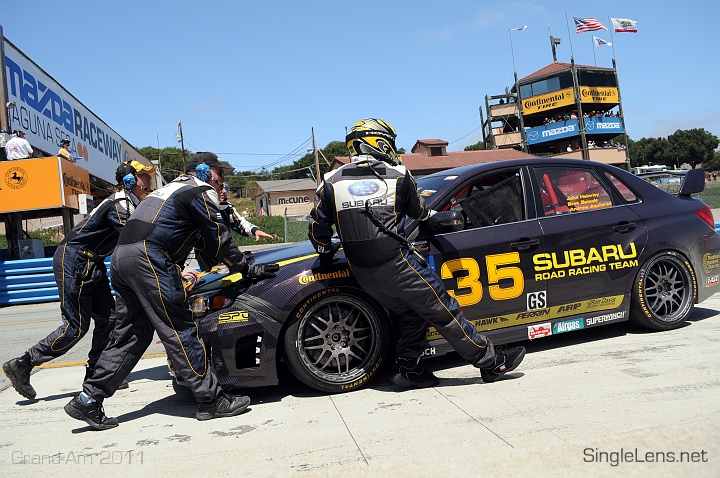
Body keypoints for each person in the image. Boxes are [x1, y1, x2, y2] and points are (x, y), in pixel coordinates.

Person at [63, 152, 279, 430]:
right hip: (148, 260)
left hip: (121, 260)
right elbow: (218, 237)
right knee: (180, 328)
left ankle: (88, 399)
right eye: (219, 173)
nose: (223, 180)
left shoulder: (165, 190)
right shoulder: (199, 190)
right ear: (203, 171)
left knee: (130, 335)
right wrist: (245, 269)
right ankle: (211, 399)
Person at [308, 118, 525, 388]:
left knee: (412, 313)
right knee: (445, 311)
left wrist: (327, 252)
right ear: (378, 142)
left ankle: (409, 371)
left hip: (361, 271)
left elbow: (317, 230)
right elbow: (421, 214)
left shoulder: (329, 181)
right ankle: (492, 363)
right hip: (398, 265)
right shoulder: (398, 175)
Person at [3, 160, 156, 400]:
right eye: (144, 176)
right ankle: (23, 364)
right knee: (74, 328)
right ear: (129, 179)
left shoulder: (131, 204)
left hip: (90, 262)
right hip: (75, 260)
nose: (149, 180)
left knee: (109, 318)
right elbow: (134, 239)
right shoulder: (120, 204)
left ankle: (95, 373)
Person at [195, 184, 273, 271]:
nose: (224, 191)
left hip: (225, 251)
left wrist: (255, 230)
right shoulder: (199, 207)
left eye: (226, 188)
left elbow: (240, 223)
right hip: (206, 255)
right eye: (220, 188)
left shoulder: (227, 208)